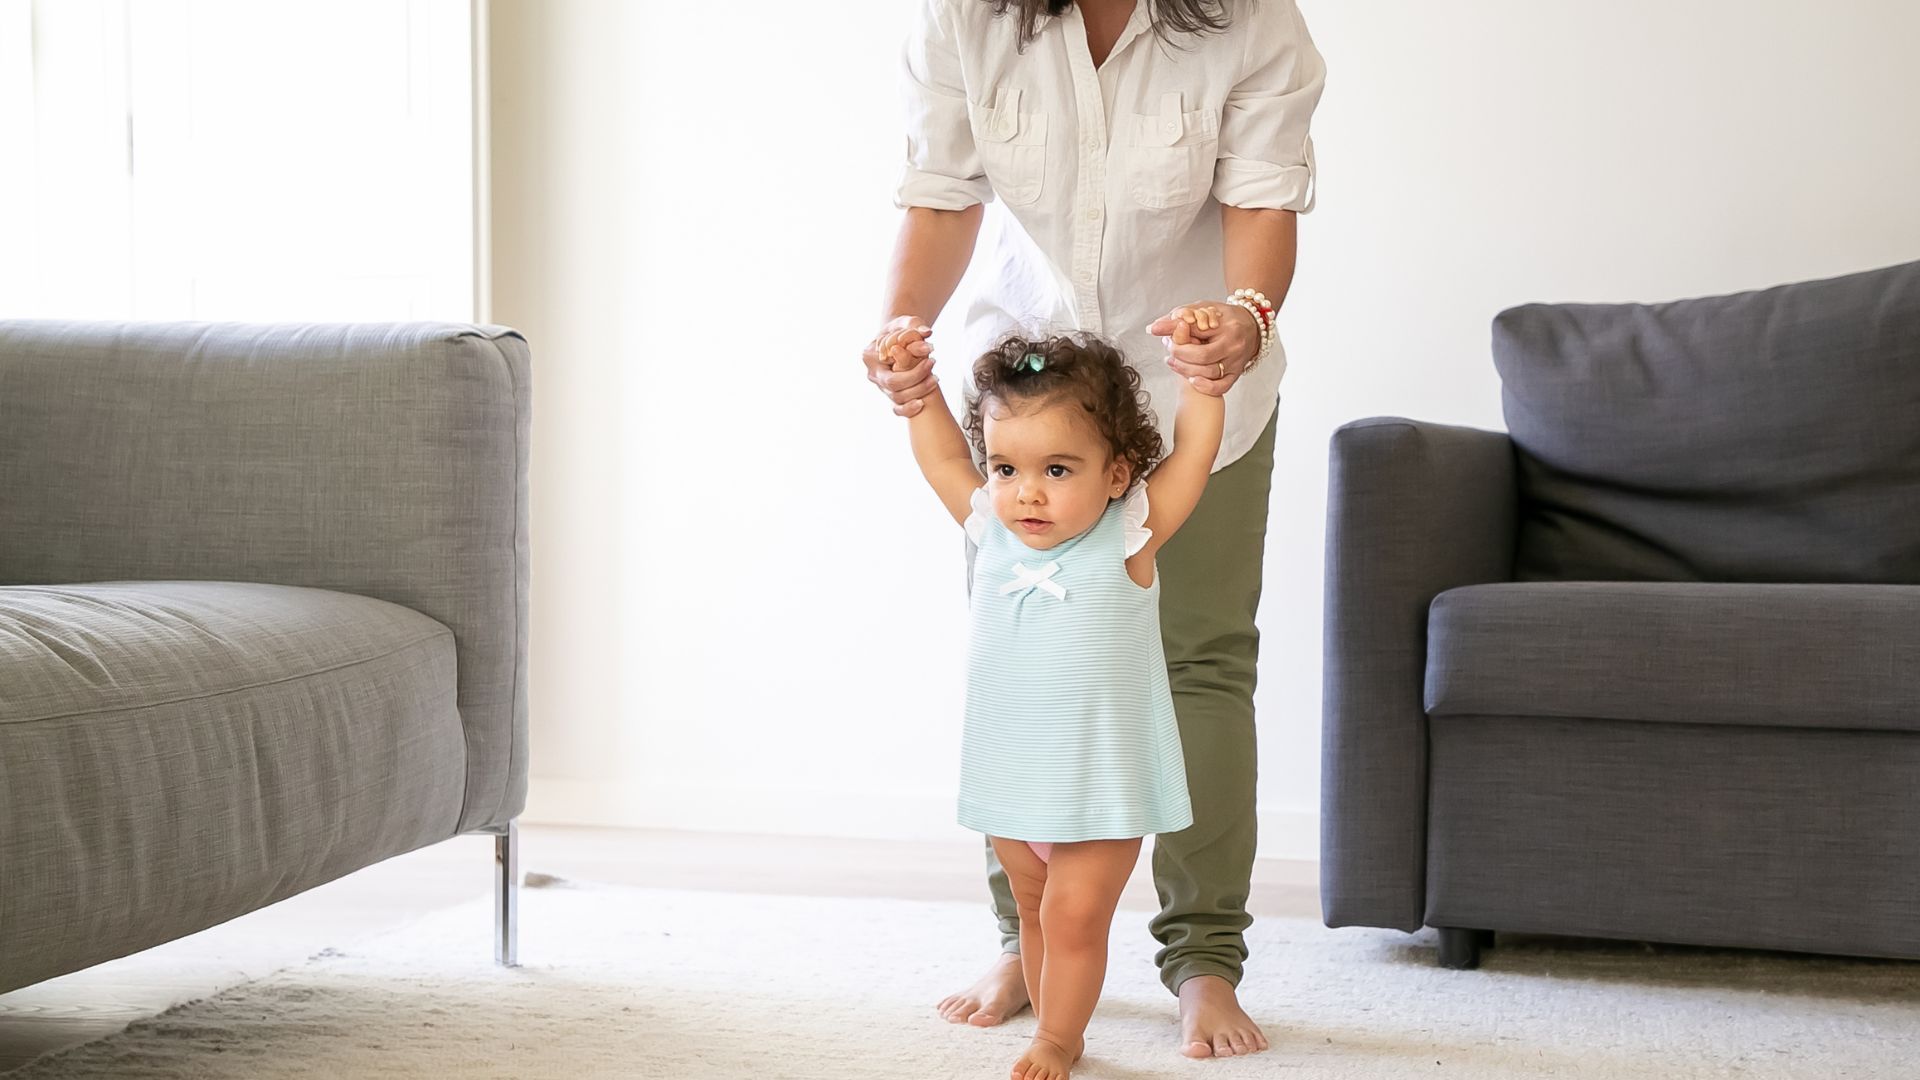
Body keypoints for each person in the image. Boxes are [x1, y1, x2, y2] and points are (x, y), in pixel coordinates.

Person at [864, 0, 1325, 1061]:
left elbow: (1262, 199)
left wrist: (1245, 320)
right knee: (1017, 663)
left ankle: (1203, 960)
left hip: (1195, 374)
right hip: (1031, 402)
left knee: (1201, 665)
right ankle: (1020, 942)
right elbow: (940, 195)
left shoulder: (1254, 20)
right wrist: (901, 333)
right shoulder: (965, 17)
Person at [886, 316, 1224, 1080]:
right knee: (1035, 910)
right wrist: (920, 390)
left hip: (1100, 787)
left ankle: (1057, 1040)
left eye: (1058, 470)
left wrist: (1203, 382)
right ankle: (1053, 1022)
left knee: (1072, 918)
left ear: (1117, 473)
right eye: (1006, 468)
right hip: (1015, 780)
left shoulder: (1130, 536)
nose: (1026, 492)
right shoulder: (993, 532)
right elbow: (943, 456)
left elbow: (1195, 455)